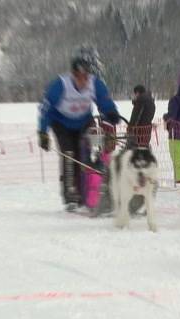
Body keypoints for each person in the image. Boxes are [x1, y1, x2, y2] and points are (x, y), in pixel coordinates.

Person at [37, 51, 120, 210]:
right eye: (79, 76)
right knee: (69, 156)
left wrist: (111, 113)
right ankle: (70, 195)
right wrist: (43, 132)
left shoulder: (95, 84)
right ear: (73, 75)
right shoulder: (60, 85)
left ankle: (88, 191)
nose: (83, 80)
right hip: (61, 123)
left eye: (86, 76)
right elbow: (45, 109)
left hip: (84, 121)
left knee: (87, 154)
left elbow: (105, 102)